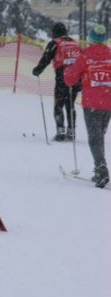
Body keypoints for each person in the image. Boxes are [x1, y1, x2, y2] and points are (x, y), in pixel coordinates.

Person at [64, 25, 111, 189]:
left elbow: (70, 77)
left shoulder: (86, 56)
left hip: (92, 103)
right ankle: (99, 167)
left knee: (94, 138)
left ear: (91, 38)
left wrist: (67, 73)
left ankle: (101, 168)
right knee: (99, 136)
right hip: (108, 103)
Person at [33, 22, 82, 141]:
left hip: (63, 76)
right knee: (70, 104)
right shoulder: (75, 43)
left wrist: (38, 70)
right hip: (77, 77)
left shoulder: (55, 43)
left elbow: (46, 58)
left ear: (54, 33)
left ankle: (60, 132)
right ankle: (71, 132)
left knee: (58, 104)